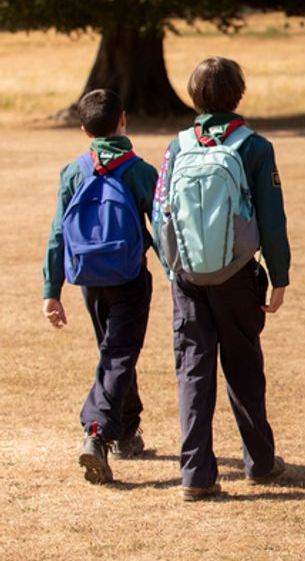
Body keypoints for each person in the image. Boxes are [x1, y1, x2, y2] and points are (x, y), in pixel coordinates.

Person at [153, 57, 291, 500]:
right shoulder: (254, 146)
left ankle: (196, 474)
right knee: (244, 365)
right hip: (237, 275)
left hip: (187, 274)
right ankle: (260, 462)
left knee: (193, 371)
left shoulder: (176, 146)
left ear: (194, 95)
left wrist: (173, 264)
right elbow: (271, 219)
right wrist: (280, 275)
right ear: (239, 93)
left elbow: (159, 214)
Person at [42, 89, 159, 484]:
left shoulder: (74, 171)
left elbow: (59, 234)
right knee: (120, 354)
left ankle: (126, 431)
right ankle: (97, 433)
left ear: (83, 129)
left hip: (88, 278)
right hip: (128, 276)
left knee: (114, 353)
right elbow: (162, 230)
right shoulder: (140, 171)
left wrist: (51, 291)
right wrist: (181, 275)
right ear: (123, 120)